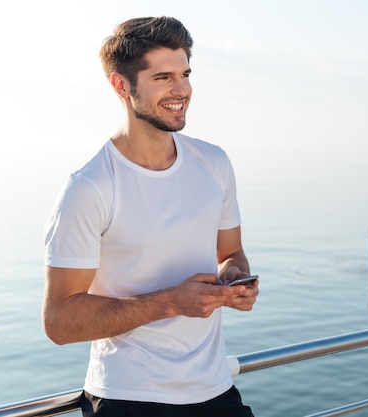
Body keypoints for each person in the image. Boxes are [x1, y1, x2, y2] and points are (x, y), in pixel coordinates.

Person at [42, 16, 258, 417]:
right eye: (163, 77)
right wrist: (172, 302)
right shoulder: (89, 188)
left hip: (216, 392)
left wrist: (235, 280)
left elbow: (231, 252)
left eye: (185, 74)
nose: (182, 90)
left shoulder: (214, 163)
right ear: (122, 86)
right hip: (128, 399)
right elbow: (59, 321)